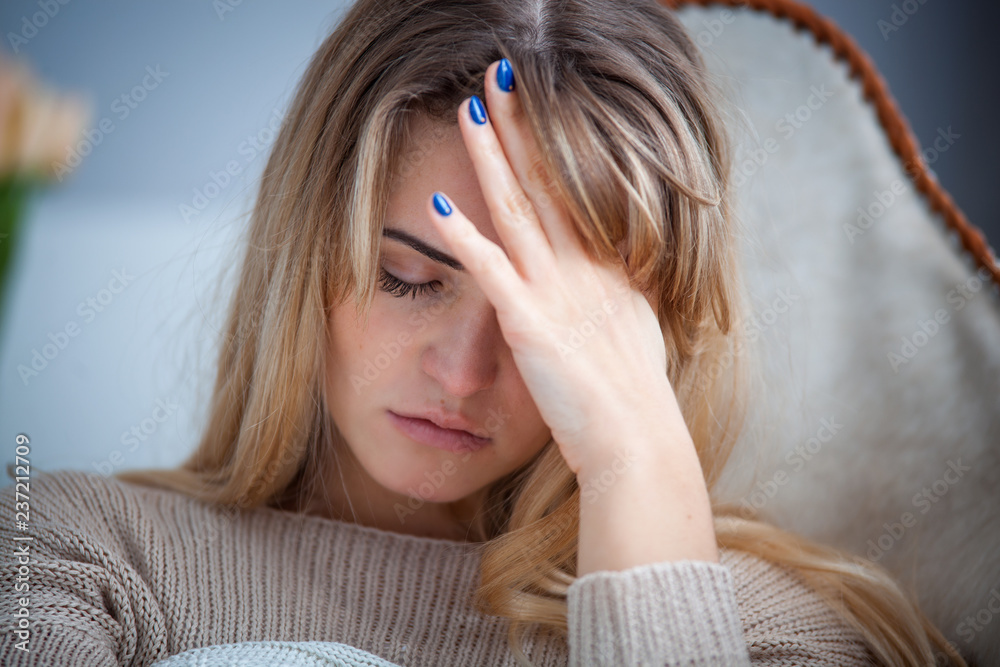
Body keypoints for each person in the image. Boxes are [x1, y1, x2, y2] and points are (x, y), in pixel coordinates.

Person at [0, 0, 967, 665]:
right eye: (410, 278)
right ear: (305, 254)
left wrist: (637, 463)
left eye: (546, 321)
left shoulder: (774, 639)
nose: (464, 374)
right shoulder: (67, 549)